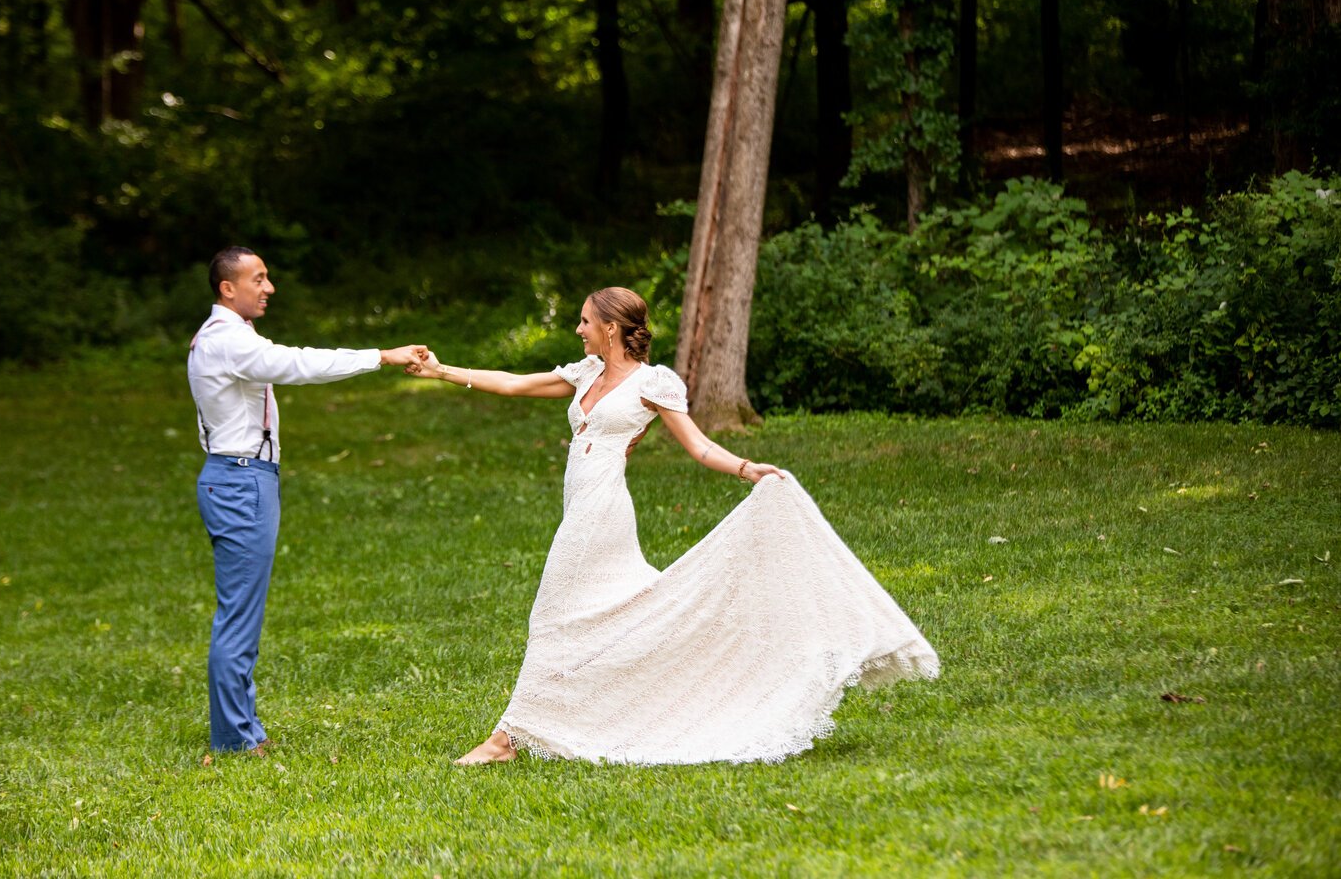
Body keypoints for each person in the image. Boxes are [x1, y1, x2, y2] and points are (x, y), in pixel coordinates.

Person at [408, 286, 939, 765]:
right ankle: (601, 709)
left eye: (585, 321)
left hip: (603, 511)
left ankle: (506, 740)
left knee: (552, 614)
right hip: (581, 505)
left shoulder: (654, 384)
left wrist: (748, 468)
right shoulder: (586, 372)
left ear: (611, 328)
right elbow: (514, 384)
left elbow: (699, 445)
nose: (579, 329)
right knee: (615, 614)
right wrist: (443, 372)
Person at [189, 246, 427, 755]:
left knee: (242, 612)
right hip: (239, 481)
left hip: (240, 478)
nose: (268, 287)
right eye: (258, 278)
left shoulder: (227, 337)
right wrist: (383, 356)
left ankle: (244, 729)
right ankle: (234, 738)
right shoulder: (227, 340)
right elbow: (296, 364)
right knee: (239, 615)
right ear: (227, 288)